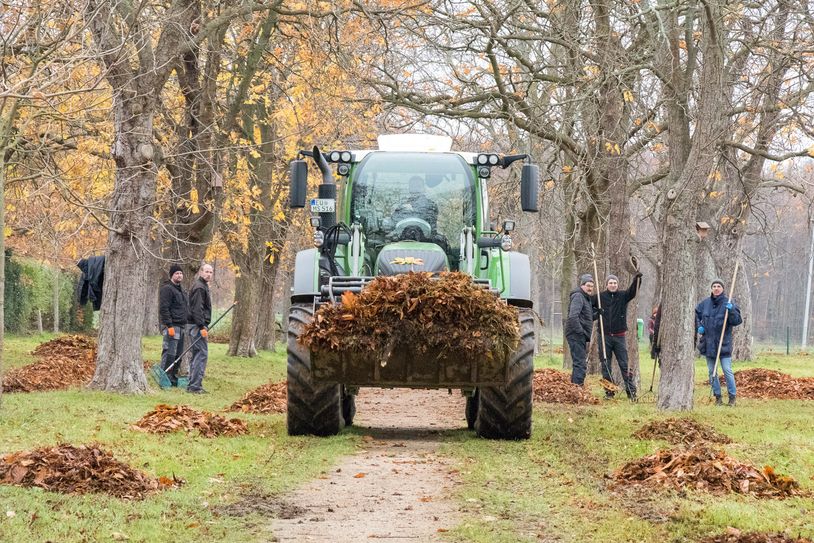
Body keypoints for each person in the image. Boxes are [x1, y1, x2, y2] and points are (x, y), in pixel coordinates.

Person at [595, 272, 642, 400]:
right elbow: (589, 306)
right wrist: (596, 313)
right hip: (604, 337)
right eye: (610, 283)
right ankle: (609, 392)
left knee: (624, 364)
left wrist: (637, 278)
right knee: (605, 365)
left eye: (615, 283)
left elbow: (633, 291)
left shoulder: (622, 296)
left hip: (619, 336)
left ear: (617, 284)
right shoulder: (599, 297)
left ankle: (631, 392)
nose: (613, 285)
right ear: (607, 284)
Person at [695, 279, 742, 406]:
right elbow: (696, 315)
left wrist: (731, 310)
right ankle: (718, 397)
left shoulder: (729, 302)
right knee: (712, 371)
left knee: (727, 370)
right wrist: (699, 326)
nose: (716, 288)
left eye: (719, 286)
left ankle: (732, 397)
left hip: (723, 344)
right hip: (708, 344)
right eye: (714, 286)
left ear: (722, 289)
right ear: (711, 289)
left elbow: (737, 321)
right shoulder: (704, 304)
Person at [159, 264, 188, 387]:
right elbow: (164, 308)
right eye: (177, 273)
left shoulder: (181, 290)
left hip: (181, 327)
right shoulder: (167, 289)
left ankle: (173, 377)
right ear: (172, 275)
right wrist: (169, 325)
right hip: (172, 326)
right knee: (169, 353)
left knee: (179, 354)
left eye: (181, 273)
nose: (179, 275)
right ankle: (164, 376)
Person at [566, 274, 597, 386]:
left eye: (592, 286)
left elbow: (586, 317)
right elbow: (573, 316)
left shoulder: (586, 298)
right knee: (580, 363)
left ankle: (575, 386)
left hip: (579, 334)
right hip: (576, 334)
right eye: (588, 285)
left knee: (579, 362)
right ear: (582, 285)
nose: (590, 288)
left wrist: (597, 314)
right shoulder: (578, 296)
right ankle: (577, 387)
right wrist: (581, 332)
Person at [187, 263, 213, 394]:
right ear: (201, 272)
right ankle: (195, 386)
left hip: (196, 325)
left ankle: (192, 384)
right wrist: (202, 326)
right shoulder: (199, 287)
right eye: (206, 271)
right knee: (201, 354)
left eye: (211, 272)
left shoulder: (203, 286)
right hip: (197, 326)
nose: (209, 274)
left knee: (197, 354)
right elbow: (197, 309)